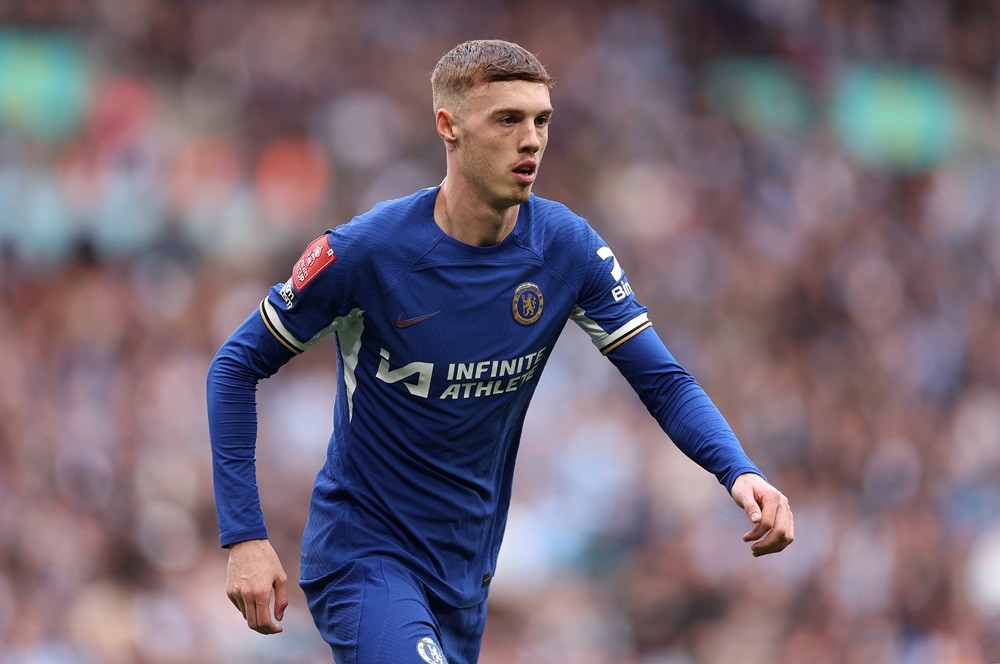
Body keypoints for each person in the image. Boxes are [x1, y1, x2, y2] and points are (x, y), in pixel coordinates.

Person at [206, 38, 794, 663]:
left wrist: (740, 471)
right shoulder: (366, 254)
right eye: (507, 119)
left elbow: (664, 381)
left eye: (541, 120)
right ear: (449, 126)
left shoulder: (566, 250)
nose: (533, 139)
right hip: (364, 559)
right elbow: (235, 366)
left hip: (465, 579)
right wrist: (244, 536)